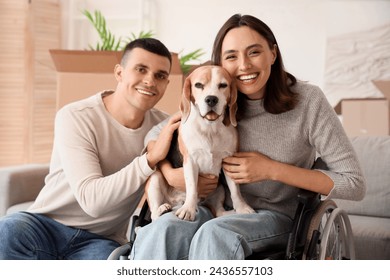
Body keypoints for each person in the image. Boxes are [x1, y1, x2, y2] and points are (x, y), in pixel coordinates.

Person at [130, 14, 366, 260]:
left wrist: (272, 169)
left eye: (254, 52)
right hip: (215, 206)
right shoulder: (218, 97)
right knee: (165, 228)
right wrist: (169, 173)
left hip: (278, 218)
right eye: (231, 56)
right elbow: (156, 133)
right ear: (220, 63)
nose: (243, 66)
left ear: (272, 54)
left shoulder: (309, 102)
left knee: (215, 233)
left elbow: (354, 184)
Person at [0, 38, 183, 260]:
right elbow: (92, 202)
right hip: (45, 226)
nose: (149, 81)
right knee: (7, 230)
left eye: (160, 75)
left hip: (101, 240)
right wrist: (149, 159)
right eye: (141, 69)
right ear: (119, 73)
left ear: (167, 84)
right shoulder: (76, 116)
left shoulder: (165, 128)